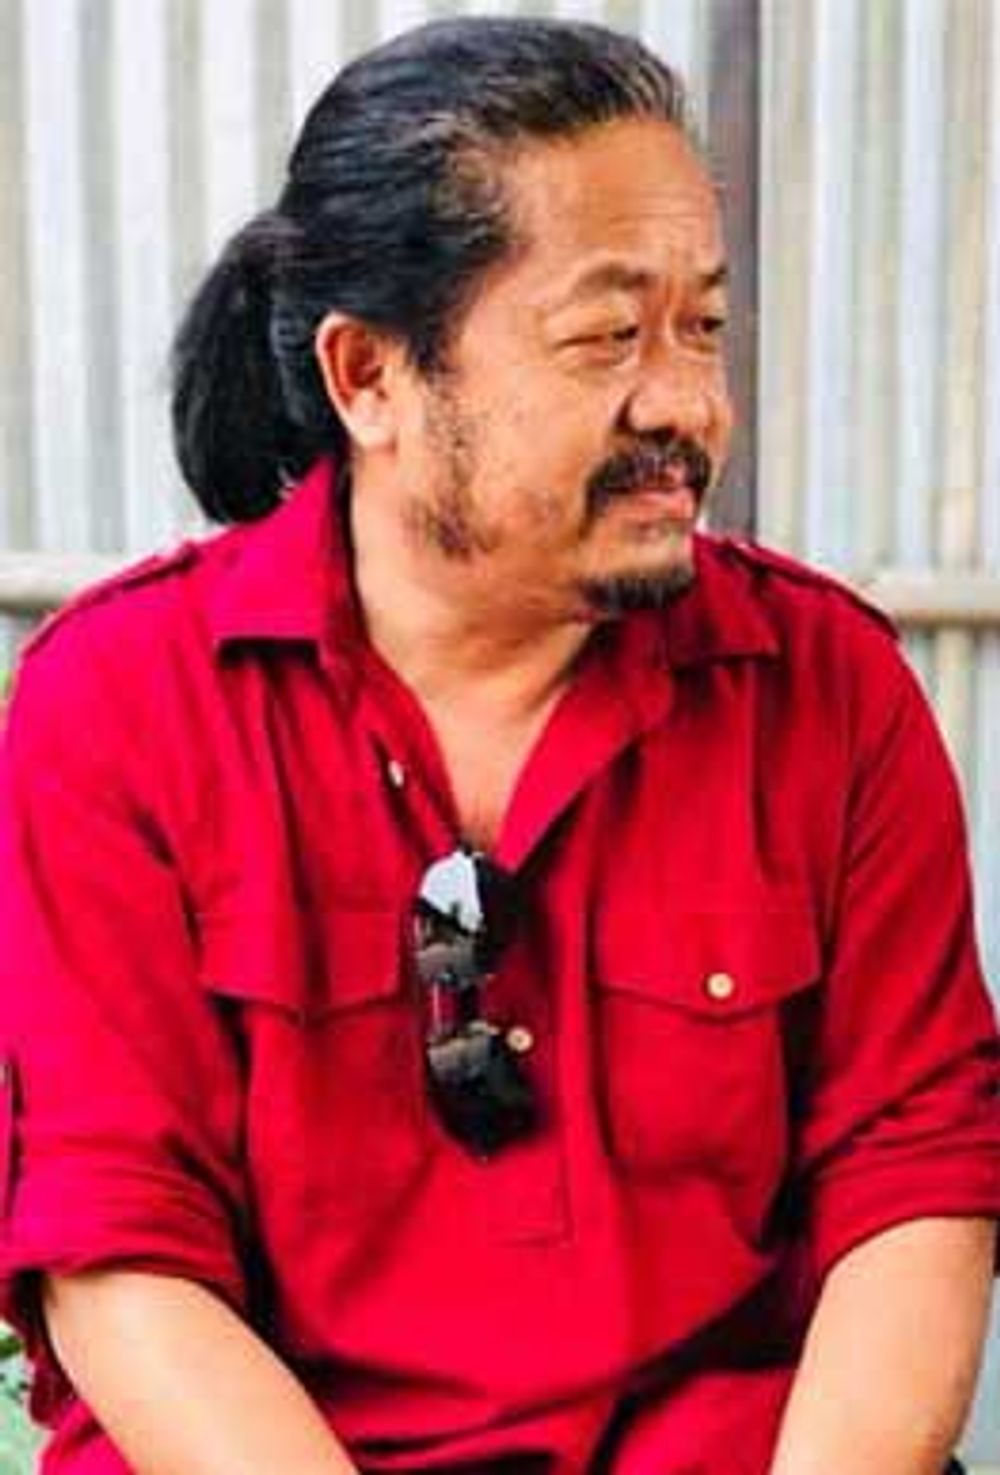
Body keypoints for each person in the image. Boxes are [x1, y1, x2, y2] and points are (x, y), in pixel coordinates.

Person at [0, 17, 997, 1475]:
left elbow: (913, 1178)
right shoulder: (120, 705)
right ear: (371, 378)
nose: (688, 405)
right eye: (607, 337)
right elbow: (119, 1249)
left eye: (703, 328)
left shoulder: (827, 689)